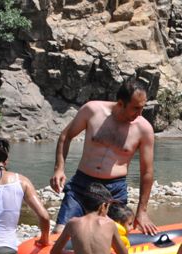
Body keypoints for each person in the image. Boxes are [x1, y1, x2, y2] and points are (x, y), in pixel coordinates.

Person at [49, 79, 157, 235]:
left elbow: (147, 171)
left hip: (114, 191)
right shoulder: (92, 110)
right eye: (135, 108)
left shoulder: (144, 129)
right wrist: (59, 169)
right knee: (60, 233)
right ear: (121, 103)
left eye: (142, 108)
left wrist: (142, 211)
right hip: (82, 186)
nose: (140, 114)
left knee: (113, 238)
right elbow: (66, 136)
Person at [50, 183, 129, 254]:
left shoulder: (73, 223)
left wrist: (74, 252)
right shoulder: (109, 224)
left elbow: (54, 253)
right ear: (103, 206)